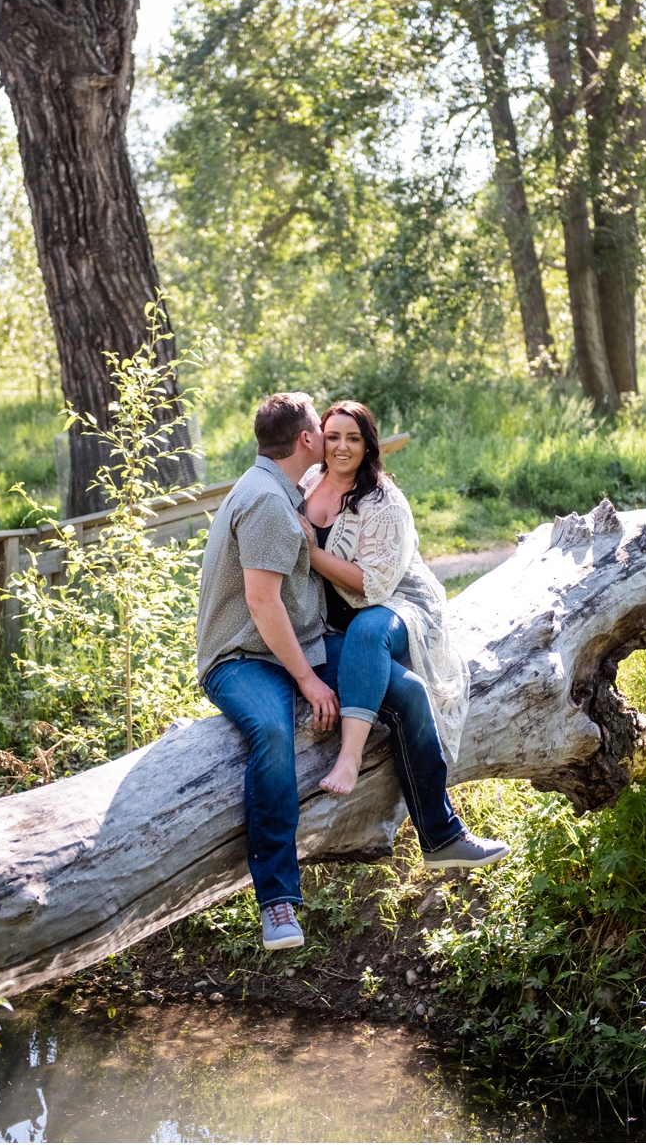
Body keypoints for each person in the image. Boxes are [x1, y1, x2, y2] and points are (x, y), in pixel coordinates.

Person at [196, 393, 506, 953]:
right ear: (306, 441)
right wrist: (311, 682)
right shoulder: (269, 500)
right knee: (271, 733)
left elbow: (358, 578)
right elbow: (263, 605)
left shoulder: (290, 486)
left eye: (347, 436)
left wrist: (316, 664)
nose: (330, 439)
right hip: (244, 657)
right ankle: (278, 902)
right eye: (321, 429)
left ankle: (441, 836)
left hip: (304, 642)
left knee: (408, 693)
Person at [296, 400, 469, 798]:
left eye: (353, 439)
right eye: (334, 436)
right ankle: (440, 834)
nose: (342, 447)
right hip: (335, 618)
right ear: (320, 440)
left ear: (368, 445)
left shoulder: (383, 501)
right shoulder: (307, 481)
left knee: (368, 630)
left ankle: (350, 756)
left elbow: (372, 587)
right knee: (407, 692)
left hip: (399, 603)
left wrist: (314, 553)